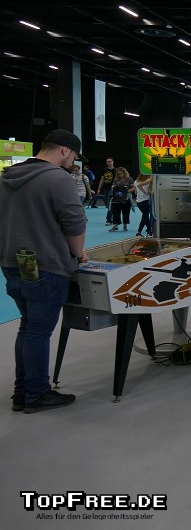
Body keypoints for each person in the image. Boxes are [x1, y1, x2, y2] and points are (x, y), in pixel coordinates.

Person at [1, 129, 87, 413]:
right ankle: (36, 394)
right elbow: (74, 223)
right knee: (39, 331)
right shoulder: (58, 179)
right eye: (73, 155)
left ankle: (22, 392)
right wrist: (79, 254)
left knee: (28, 326)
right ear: (64, 150)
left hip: (13, 263)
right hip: (46, 265)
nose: (73, 161)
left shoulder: (7, 177)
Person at [108, 166, 135, 232]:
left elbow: (134, 188)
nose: (119, 175)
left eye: (121, 173)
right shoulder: (116, 179)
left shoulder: (129, 179)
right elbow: (112, 187)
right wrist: (113, 187)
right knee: (115, 212)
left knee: (126, 212)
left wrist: (126, 191)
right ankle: (115, 225)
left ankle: (125, 225)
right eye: (118, 174)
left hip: (126, 198)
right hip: (116, 198)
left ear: (124, 173)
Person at [93, 157, 116, 222]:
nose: (108, 163)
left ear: (113, 162)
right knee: (108, 204)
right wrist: (99, 188)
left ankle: (109, 219)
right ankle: (112, 217)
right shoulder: (104, 170)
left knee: (110, 204)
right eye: (107, 161)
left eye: (110, 161)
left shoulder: (115, 170)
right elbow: (102, 179)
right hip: (105, 188)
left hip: (112, 189)